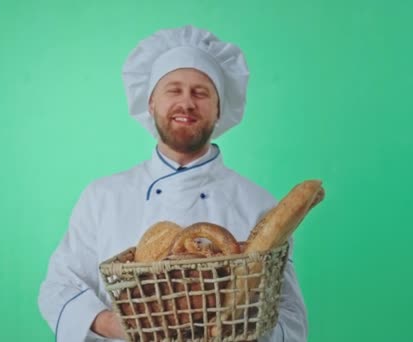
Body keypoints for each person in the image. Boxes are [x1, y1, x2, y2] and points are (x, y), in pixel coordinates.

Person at [38, 25, 308, 341]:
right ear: (151, 102)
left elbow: (291, 317)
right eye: (173, 89)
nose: (187, 103)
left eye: (201, 92)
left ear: (219, 108)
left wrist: (240, 329)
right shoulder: (103, 197)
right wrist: (118, 326)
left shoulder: (258, 204)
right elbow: (59, 287)